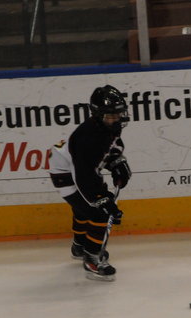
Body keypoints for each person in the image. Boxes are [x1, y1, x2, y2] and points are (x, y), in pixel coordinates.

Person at [48, 85, 132, 281]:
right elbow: (84, 176)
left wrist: (116, 161)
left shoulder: (107, 126)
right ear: (98, 115)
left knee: (83, 210)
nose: (116, 118)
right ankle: (92, 259)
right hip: (64, 172)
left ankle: (79, 247)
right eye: (110, 115)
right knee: (98, 211)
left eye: (118, 114)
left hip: (71, 164)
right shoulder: (88, 138)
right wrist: (100, 198)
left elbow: (109, 147)